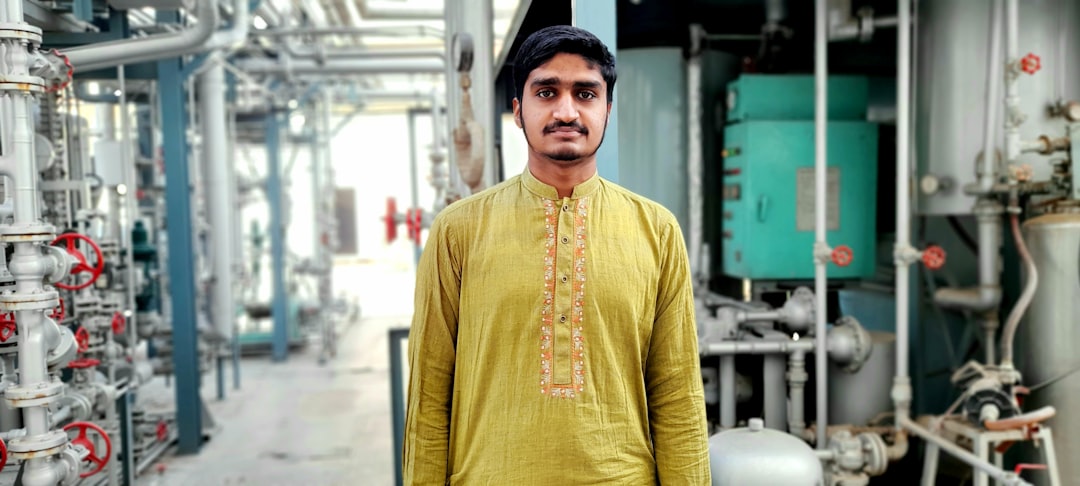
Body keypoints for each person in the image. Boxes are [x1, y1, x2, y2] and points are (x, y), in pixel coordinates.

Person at [403, 25, 710, 485]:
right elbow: (428, 394)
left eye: (585, 94)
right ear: (518, 111)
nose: (566, 111)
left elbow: (678, 394)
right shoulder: (458, 230)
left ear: (607, 110)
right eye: (547, 92)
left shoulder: (657, 231)